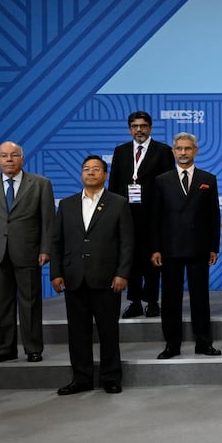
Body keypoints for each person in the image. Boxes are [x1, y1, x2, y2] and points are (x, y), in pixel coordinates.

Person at [49, 156, 134, 395]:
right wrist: (55, 273)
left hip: (107, 279)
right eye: (86, 169)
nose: (90, 173)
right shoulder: (66, 204)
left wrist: (122, 273)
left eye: (96, 169)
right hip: (74, 278)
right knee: (77, 333)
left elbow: (127, 243)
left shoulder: (118, 203)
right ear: (81, 174)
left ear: (105, 175)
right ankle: (81, 378)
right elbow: (56, 242)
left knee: (108, 331)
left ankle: (111, 377)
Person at [0, 141, 55, 364]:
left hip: (28, 251)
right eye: (4, 156)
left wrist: (46, 249)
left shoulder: (40, 184)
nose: (9, 159)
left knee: (30, 302)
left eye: (14, 155)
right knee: (3, 303)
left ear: (22, 158)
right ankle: (6, 349)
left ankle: (33, 348)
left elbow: (48, 221)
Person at [148, 132, 221, 358]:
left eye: (188, 148)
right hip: (169, 249)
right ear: (173, 151)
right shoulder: (161, 181)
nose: (183, 152)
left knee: (201, 298)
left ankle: (204, 343)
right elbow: (154, 217)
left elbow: (212, 217)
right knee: (170, 300)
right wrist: (155, 248)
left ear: (195, 151)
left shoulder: (208, 179)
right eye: (179, 148)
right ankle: (172, 345)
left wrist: (213, 247)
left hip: (199, 248)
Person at [109, 111, 175, 319]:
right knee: (131, 260)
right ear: (129, 129)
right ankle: (135, 302)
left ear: (150, 128)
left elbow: (168, 184)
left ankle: (152, 302)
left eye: (143, 126)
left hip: (153, 215)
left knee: (153, 260)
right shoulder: (120, 151)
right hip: (127, 215)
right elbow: (113, 185)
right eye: (135, 126)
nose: (139, 129)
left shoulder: (163, 151)